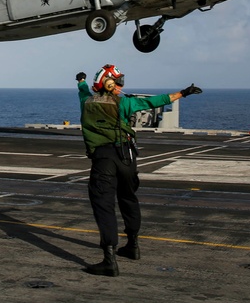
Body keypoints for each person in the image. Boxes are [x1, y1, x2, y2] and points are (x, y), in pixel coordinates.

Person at [76, 65, 203, 276]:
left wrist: (81, 81)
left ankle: (109, 260)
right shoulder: (125, 102)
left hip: (104, 160)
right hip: (127, 158)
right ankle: (133, 246)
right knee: (128, 199)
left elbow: (83, 92)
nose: (120, 87)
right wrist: (183, 93)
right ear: (108, 84)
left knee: (104, 205)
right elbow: (153, 102)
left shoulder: (86, 103)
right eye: (117, 83)